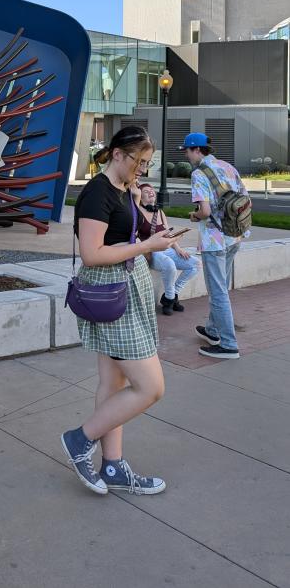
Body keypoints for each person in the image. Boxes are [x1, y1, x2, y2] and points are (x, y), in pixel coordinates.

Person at [61, 127, 179, 496]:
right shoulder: (97, 192)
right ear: (116, 154)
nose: (142, 169)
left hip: (126, 289)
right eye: (138, 162)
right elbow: (92, 253)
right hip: (111, 291)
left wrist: (158, 233)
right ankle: (80, 440)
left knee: (114, 384)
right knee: (151, 387)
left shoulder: (122, 190)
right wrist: (145, 245)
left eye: (147, 163)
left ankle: (112, 467)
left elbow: (141, 231)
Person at [180, 132, 248, 360]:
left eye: (187, 151)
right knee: (222, 287)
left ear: (197, 150)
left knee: (218, 292)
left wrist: (194, 215)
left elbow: (205, 212)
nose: (187, 155)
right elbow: (244, 199)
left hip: (214, 240)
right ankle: (212, 330)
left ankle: (228, 345)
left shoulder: (199, 174)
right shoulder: (228, 167)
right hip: (234, 235)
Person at [136, 183, 199, 315]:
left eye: (152, 190)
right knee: (169, 264)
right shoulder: (137, 212)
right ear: (140, 197)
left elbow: (167, 234)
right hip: (151, 252)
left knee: (195, 264)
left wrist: (178, 249)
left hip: (166, 249)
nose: (151, 192)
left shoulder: (159, 212)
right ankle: (170, 299)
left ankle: (172, 295)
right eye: (146, 191)